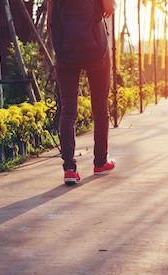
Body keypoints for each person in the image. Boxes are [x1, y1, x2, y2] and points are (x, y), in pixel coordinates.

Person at [49, 0, 117, 185]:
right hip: (95, 48)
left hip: (66, 52)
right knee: (100, 108)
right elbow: (109, 8)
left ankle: (70, 168)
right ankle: (100, 162)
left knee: (68, 110)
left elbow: (51, 20)